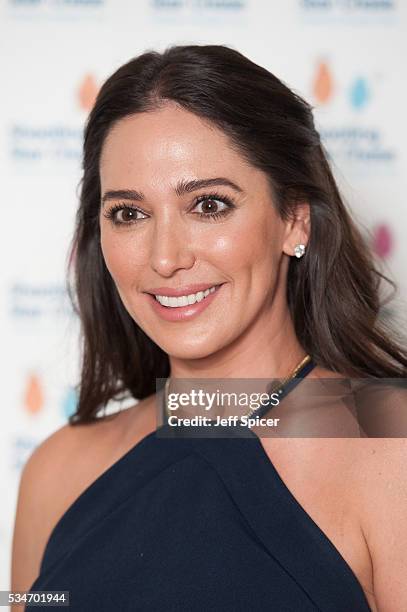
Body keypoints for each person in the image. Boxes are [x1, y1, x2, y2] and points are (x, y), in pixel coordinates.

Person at [11, 44, 407, 611]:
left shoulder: (391, 449)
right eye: (129, 213)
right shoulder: (57, 471)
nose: (165, 258)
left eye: (209, 205)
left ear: (293, 219)